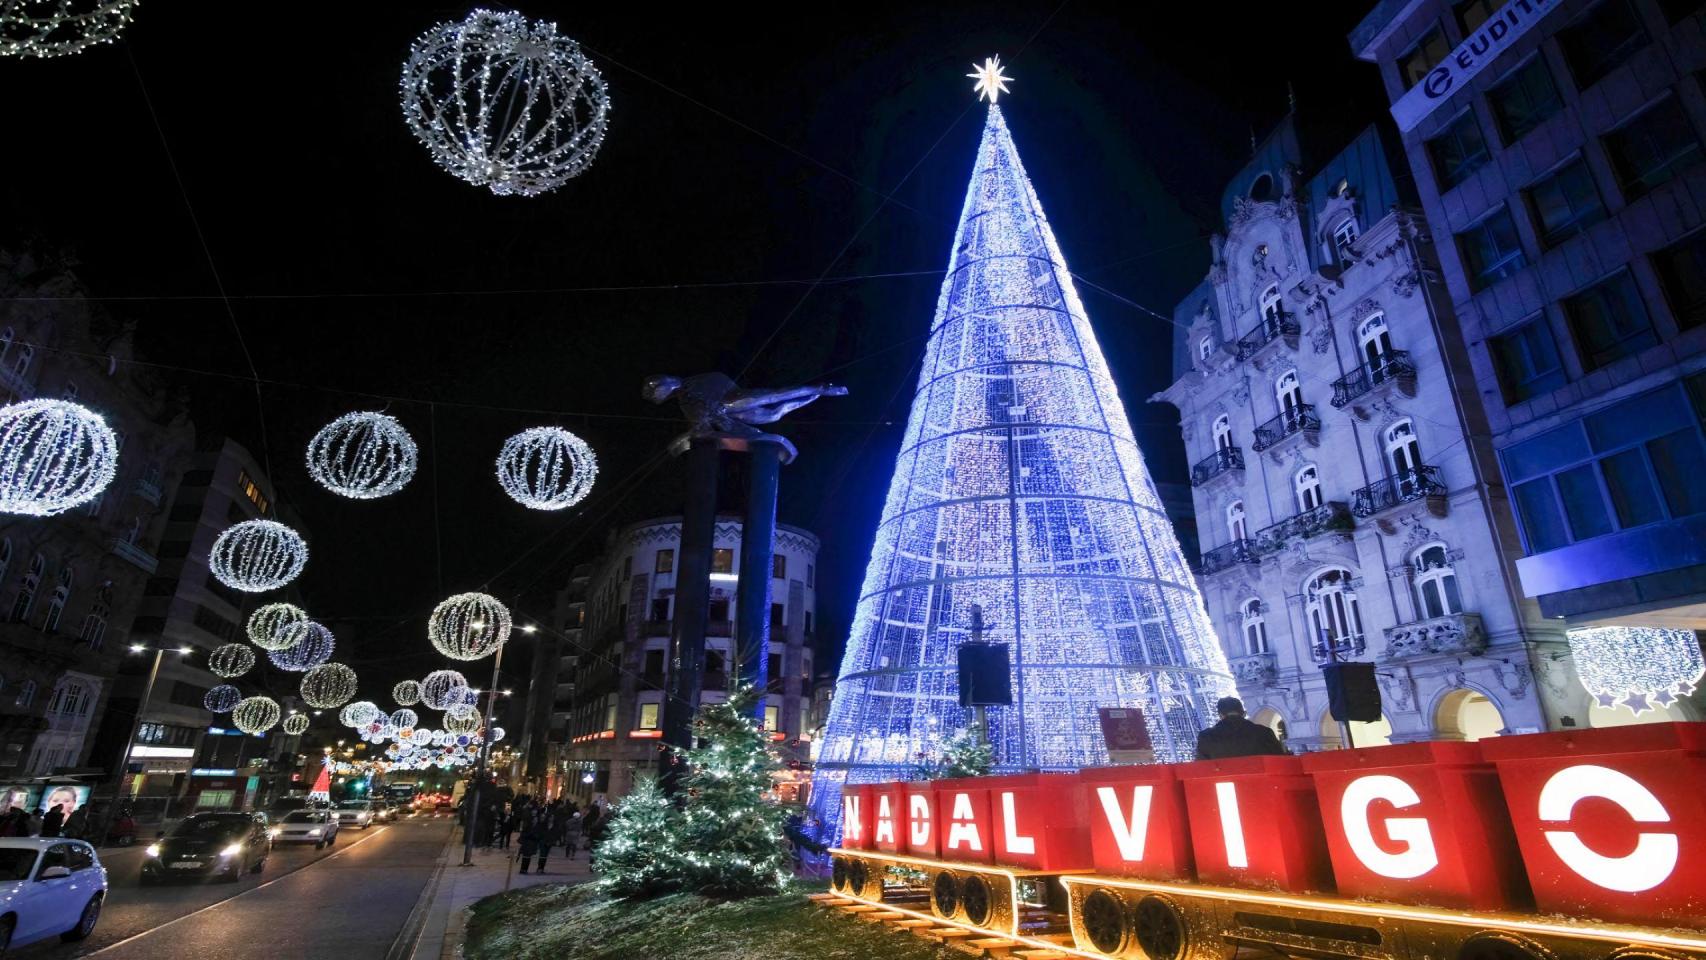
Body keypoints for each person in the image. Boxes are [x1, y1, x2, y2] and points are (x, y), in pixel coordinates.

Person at [1195, 696, 1288, 760]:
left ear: (1220, 715)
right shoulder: (1264, 732)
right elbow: (1280, 759)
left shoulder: (1206, 737)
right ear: (1243, 713)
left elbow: (1202, 766)